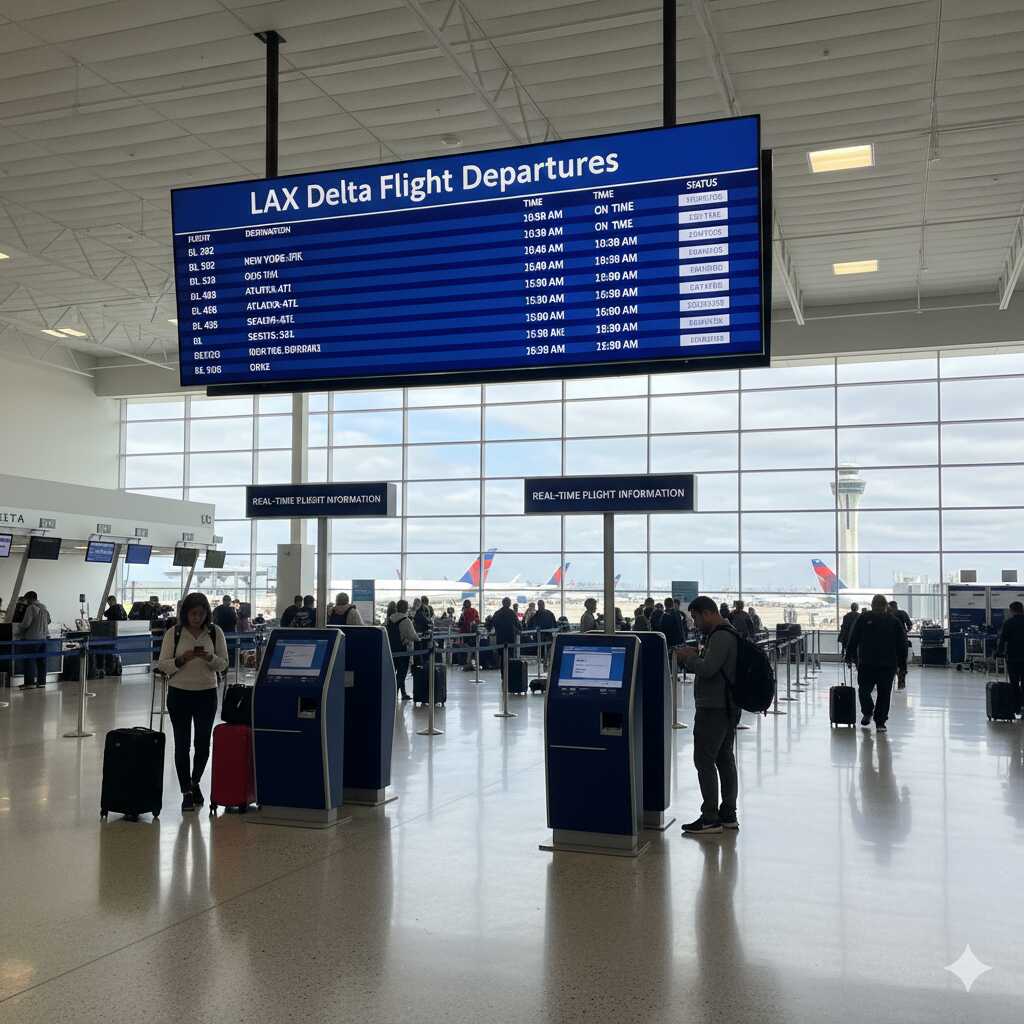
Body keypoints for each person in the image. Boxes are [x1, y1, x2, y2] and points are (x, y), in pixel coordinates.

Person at [156, 592, 229, 812]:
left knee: (203, 745)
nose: (197, 618)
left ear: (207, 614)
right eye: (193, 613)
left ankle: (195, 781)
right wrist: (182, 659)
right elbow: (163, 665)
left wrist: (209, 658)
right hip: (179, 694)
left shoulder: (215, 633)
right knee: (182, 744)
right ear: (185, 613)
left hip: (206, 693)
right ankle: (186, 791)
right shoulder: (174, 633)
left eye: (201, 613)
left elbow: (224, 664)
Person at [676, 596, 741, 835]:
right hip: (726, 706)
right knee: (724, 758)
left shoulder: (721, 636)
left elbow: (708, 669)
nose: (694, 623)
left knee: (704, 760)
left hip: (714, 708)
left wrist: (689, 658)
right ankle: (728, 814)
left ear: (707, 613)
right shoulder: (728, 633)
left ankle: (710, 817)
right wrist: (699, 654)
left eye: (695, 617)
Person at [845, 594, 907, 733]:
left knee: (867, 691)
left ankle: (875, 717)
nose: (878, 607)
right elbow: (854, 637)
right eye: (876, 605)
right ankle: (877, 719)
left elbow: (853, 638)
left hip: (876, 663)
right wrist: (902, 666)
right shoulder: (865, 618)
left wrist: (849, 654)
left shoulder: (893, 622)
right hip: (877, 663)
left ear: (884, 606)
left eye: (880, 605)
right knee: (879, 693)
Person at [16, 591, 51, 689]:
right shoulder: (44, 607)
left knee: (29, 660)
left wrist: (18, 628)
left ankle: (29, 683)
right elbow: (49, 620)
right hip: (44, 638)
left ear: (30, 599)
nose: (26, 602)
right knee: (41, 661)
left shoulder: (31, 608)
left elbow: (26, 623)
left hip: (32, 638)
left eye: (27, 599)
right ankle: (42, 682)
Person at [997, 600, 1024, 714]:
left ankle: (1016, 707)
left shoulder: (1008, 623)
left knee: (1014, 683)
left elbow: (1002, 640)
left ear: (1012, 610)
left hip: (1013, 658)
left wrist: (999, 652)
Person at [386, 599, 417, 700]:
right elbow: (413, 636)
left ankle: (403, 693)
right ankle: (394, 694)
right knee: (402, 673)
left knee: (393, 672)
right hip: (403, 650)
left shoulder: (389, 619)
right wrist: (419, 638)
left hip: (391, 649)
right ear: (406, 608)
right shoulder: (406, 620)